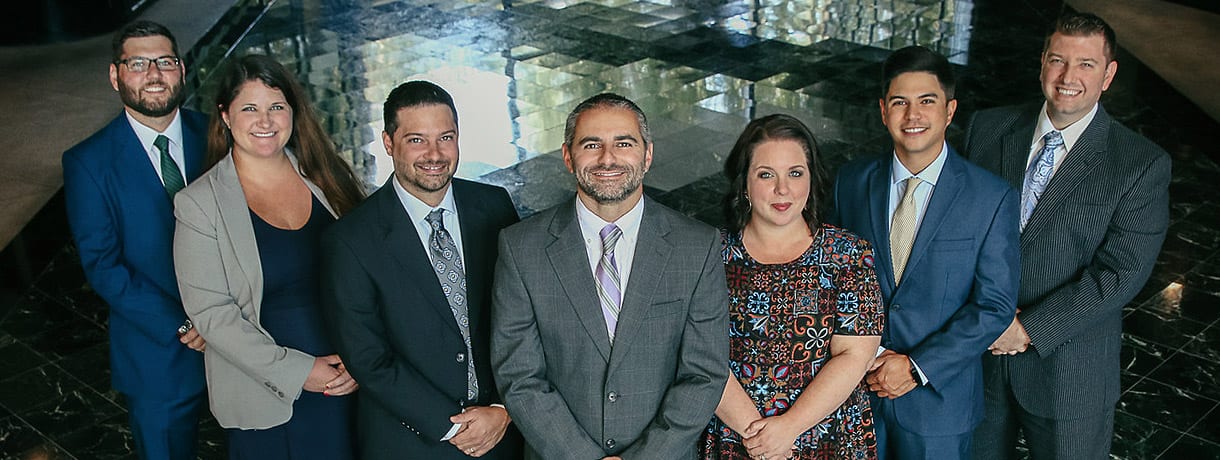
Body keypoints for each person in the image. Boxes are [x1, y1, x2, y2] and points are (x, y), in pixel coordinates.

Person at [965, 12, 1171, 459]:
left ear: (1109, 74)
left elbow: (1121, 272)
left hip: (1068, 371)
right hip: (977, 359)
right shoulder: (988, 128)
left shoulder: (1139, 163)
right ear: (1042, 62)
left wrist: (1029, 329)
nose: (1068, 77)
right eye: (1059, 61)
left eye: (1086, 65)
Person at [491, 93, 729, 459]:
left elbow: (705, 373)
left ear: (647, 155)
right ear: (568, 157)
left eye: (624, 143)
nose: (607, 158)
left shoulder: (696, 246)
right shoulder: (521, 247)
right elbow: (519, 376)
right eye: (591, 144)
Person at [828, 46, 1020, 459]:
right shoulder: (851, 182)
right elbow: (833, 278)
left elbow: (994, 305)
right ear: (883, 111)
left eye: (926, 101)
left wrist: (916, 367)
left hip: (939, 406)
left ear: (950, 111)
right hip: (854, 394)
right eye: (900, 102)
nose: (912, 115)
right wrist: (872, 357)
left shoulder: (991, 198)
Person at [172, 54, 366, 459]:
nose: (265, 120)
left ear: (293, 112)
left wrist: (363, 355)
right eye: (250, 108)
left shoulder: (324, 175)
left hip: (350, 380)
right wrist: (301, 372)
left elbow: (369, 272)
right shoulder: (198, 204)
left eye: (276, 106)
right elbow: (212, 314)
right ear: (225, 117)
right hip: (267, 398)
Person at [319, 80, 523, 459]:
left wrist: (502, 408)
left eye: (446, 137)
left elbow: (521, 319)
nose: (434, 153)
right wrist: (451, 427)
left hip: (500, 433)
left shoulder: (493, 207)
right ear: (388, 142)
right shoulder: (349, 240)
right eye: (416, 140)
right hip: (410, 442)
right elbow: (369, 358)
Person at [62, 20, 207, 460]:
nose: (154, 74)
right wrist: (182, 324)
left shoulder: (218, 134)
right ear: (116, 75)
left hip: (245, 335)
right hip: (160, 349)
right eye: (138, 63)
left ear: (181, 69)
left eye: (164, 61)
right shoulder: (88, 162)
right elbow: (103, 265)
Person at [700, 114, 884, 460]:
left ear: (812, 179)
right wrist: (759, 438)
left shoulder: (848, 255)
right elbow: (701, 356)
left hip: (826, 437)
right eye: (766, 174)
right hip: (736, 437)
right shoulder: (709, 256)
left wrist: (788, 429)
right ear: (744, 183)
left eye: (795, 173)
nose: (782, 189)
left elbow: (854, 356)